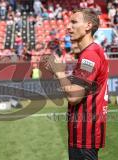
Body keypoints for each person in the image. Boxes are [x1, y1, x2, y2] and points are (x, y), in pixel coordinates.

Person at [42, 8, 108, 160]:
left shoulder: (90, 55)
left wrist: (59, 71)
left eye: (74, 22)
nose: (68, 27)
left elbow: (74, 96)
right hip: (84, 135)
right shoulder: (92, 52)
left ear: (88, 26)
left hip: (84, 137)